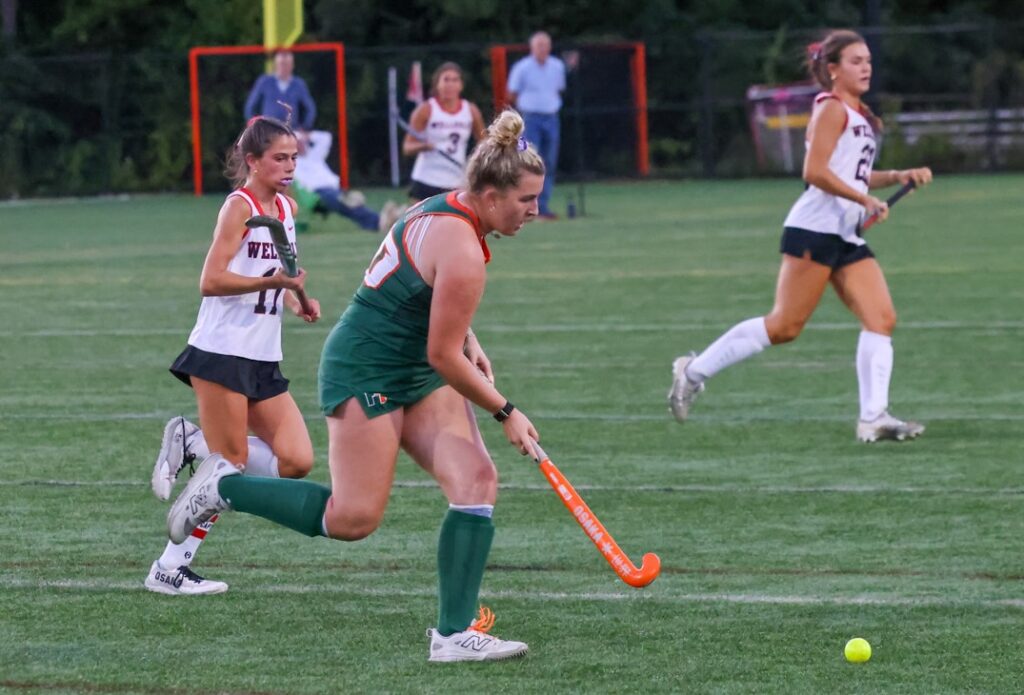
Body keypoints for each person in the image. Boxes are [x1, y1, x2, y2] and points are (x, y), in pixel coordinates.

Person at [166, 109, 544, 662]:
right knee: (353, 519)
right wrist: (506, 411)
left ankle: (453, 634)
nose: (534, 211)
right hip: (364, 367)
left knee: (477, 482)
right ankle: (222, 488)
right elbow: (443, 353)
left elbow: (432, 300)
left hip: (412, 365)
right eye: (525, 200)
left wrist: (471, 338)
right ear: (488, 194)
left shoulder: (445, 205)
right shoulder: (464, 249)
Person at [667, 30, 933, 443]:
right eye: (855, 61)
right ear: (832, 69)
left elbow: (852, 175)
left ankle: (873, 418)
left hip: (844, 234)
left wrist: (897, 177)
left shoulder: (857, 113)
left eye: (868, 61)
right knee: (785, 326)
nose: (866, 68)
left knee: (881, 318)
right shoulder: (831, 108)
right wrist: (864, 199)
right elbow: (815, 172)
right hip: (813, 228)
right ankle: (693, 371)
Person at [145, 115, 322, 595]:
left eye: (293, 158)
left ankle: (194, 444)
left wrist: (294, 299)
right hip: (222, 353)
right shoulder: (238, 207)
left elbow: (279, 269)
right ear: (253, 161)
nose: (289, 167)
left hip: (263, 357)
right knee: (231, 468)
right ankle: (168, 570)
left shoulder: (284, 207)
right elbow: (211, 280)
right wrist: (274, 284)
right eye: (279, 158)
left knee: (297, 460)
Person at [403, 62, 487, 202]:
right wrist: (424, 146)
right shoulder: (426, 109)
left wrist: (477, 163)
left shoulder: (471, 110)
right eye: (446, 80)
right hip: (427, 179)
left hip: (456, 179)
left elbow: (484, 142)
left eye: (455, 80)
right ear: (437, 84)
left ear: (461, 85)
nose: (450, 85)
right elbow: (407, 147)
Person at [294, 129, 404, 233]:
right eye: (297, 143)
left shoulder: (314, 155)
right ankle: (380, 221)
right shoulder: (294, 163)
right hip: (318, 196)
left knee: (351, 203)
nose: (301, 145)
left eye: (301, 142)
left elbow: (326, 137)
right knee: (348, 202)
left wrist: (307, 135)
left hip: (334, 190)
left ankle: (383, 220)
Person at [506, 31, 566, 219]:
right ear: (532, 48)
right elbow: (512, 93)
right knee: (526, 160)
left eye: (545, 45)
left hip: (551, 118)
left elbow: (559, 89)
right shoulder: (522, 68)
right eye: (539, 45)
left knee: (549, 161)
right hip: (530, 119)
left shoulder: (557, 66)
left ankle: (543, 205)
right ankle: (522, 204)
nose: (543, 49)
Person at [244, 50, 316, 133]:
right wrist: (255, 126)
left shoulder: (299, 84)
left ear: (292, 65)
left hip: (292, 131)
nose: (284, 67)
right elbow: (250, 107)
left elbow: (310, 108)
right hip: (268, 131)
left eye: (286, 64)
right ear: (275, 65)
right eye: (281, 64)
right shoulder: (264, 81)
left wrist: (305, 127)